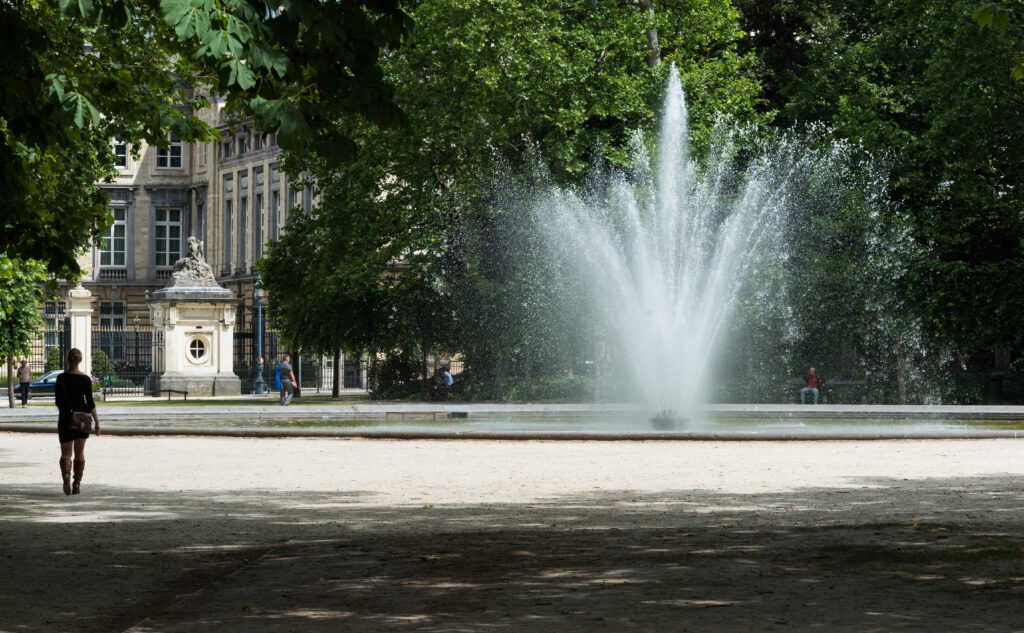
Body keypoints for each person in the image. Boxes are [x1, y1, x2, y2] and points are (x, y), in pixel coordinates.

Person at [54, 348, 99, 495]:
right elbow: (90, 403)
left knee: (66, 453)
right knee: (79, 453)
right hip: (82, 418)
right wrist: (97, 422)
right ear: (80, 360)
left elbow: (58, 401)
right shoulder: (85, 379)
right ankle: (77, 484)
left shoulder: (61, 378)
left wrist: (65, 411)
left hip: (66, 417)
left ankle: (66, 476)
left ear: (68, 359)